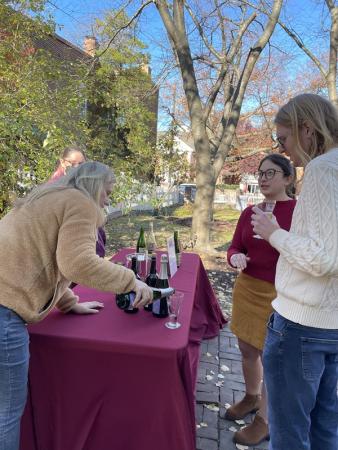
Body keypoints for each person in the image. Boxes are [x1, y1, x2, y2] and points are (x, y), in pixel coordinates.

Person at [0, 161, 153, 450]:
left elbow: (44, 262)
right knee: (6, 415)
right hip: (5, 313)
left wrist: (69, 303)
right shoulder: (81, 203)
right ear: (94, 187)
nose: (108, 200)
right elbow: (77, 262)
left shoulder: (45, 197)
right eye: (107, 192)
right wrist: (131, 281)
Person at [251, 93, 338, 450]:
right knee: (325, 428)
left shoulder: (322, 169)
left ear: (307, 129)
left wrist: (275, 235)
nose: (283, 149)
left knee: (288, 433)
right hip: (330, 325)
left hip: (301, 324)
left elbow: (324, 258)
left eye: (284, 138)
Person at [226, 153, 296, 446]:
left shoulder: (298, 211)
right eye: (261, 173)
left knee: (272, 356)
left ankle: (265, 421)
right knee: (247, 349)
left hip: (278, 292)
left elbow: (301, 252)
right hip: (247, 289)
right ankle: (252, 396)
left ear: (288, 178)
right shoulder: (250, 211)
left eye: (271, 173)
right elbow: (233, 247)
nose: (263, 179)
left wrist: (275, 235)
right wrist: (235, 258)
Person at [49, 145, 106, 258]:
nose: (77, 168)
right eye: (72, 163)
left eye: (81, 164)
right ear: (62, 162)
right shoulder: (54, 188)